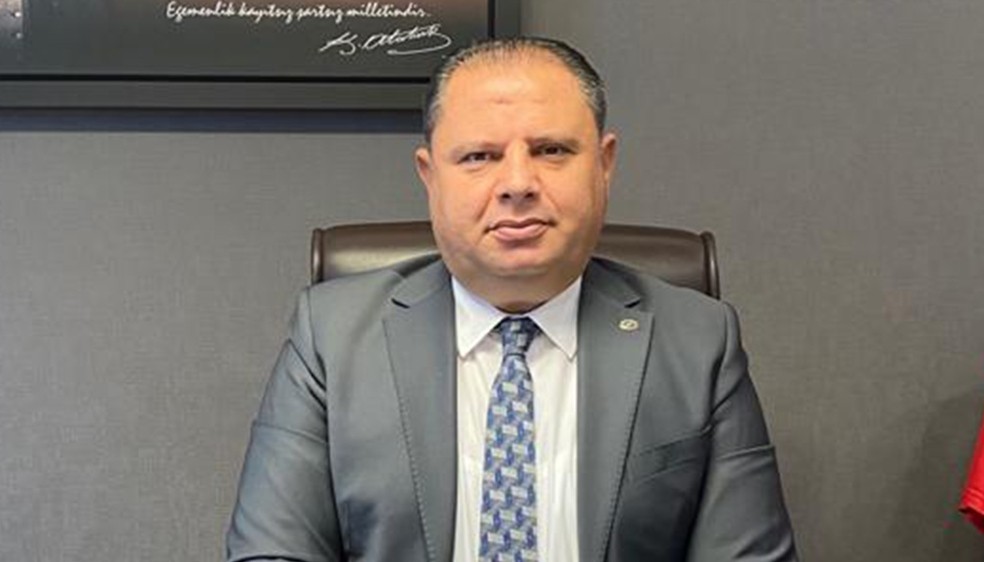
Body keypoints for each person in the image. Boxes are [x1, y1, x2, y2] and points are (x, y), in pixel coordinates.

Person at [226, 37, 797, 562]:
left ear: (604, 165)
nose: (518, 183)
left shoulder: (699, 342)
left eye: (551, 150)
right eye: (479, 156)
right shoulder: (332, 339)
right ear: (430, 176)